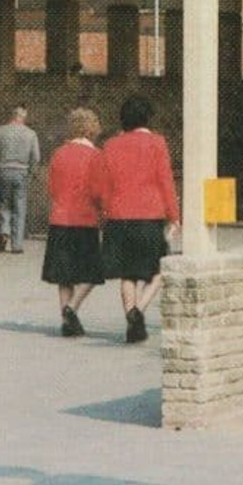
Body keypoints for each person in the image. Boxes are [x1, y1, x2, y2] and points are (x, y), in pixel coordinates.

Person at [99, 95, 180, 345]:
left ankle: (131, 317)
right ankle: (138, 311)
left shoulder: (110, 145)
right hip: (149, 215)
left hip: (119, 216)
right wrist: (174, 216)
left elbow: (105, 184)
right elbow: (165, 180)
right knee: (158, 269)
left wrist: (105, 211)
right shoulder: (156, 143)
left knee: (128, 273)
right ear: (147, 117)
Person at [42, 107, 106, 337]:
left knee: (64, 274)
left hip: (60, 217)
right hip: (85, 219)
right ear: (93, 129)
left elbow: (51, 187)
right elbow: (99, 191)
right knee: (93, 272)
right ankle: (72, 308)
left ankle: (66, 317)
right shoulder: (96, 156)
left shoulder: (59, 153)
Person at [0, 104, 41, 253]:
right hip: (21, 172)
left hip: (2, 171)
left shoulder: (0, 131)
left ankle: (4, 232)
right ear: (24, 116)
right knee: (19, 207)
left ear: (12, 115)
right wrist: (32, 174)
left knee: (4, 204)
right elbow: (35, 157)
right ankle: (17, 245)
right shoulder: (31, 134)